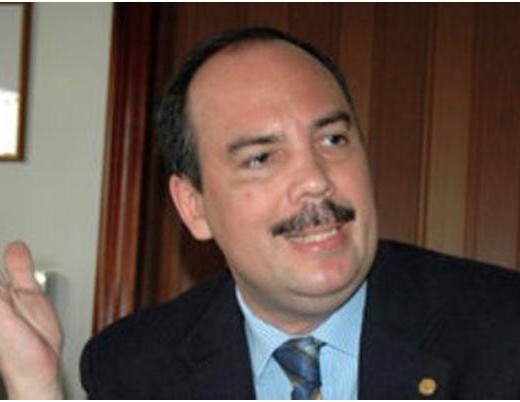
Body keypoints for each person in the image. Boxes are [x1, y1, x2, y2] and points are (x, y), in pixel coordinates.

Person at [2, 27, 520, 400]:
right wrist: (35, 389)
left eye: (333, 139)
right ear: (194, 207)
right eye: (261, 158)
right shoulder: (132, 369)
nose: (316, 179)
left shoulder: (504, 331)